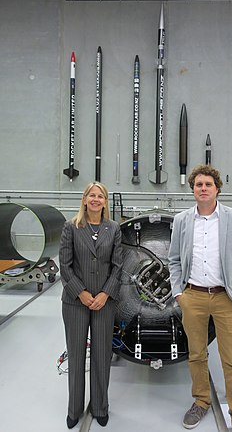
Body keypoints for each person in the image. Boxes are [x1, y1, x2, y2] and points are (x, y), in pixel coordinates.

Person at [168, 165, 232, 432]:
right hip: (192, 296)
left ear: (217, 188)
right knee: (196, 355)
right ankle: (201, 401)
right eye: (198, 185)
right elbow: (174, 260)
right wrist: (179, 294)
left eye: (208, 184)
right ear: (192, 189)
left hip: (225, 297)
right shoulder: (182, 220)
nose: (203, 188)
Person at [59, 182, 123, 429]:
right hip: (76, 303)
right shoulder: (71, 227)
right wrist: (81, 293)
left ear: (105, 202)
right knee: (76, 356)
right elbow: (65, 266)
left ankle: (100, 407)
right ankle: (74, 410)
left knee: (101, 355)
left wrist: (106, 294)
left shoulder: (114, 228)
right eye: (91, 195)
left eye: (100, 196)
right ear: (85, 200)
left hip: (104, 303)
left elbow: (117, 266)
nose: (96, 199)